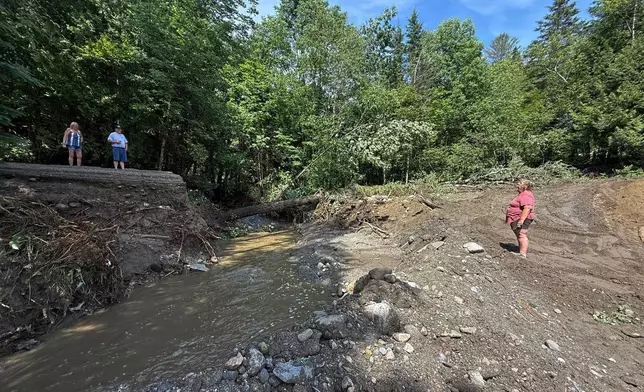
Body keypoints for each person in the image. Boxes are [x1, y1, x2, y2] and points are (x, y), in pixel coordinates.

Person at [505, 179, 536, 258]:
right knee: (519, 234)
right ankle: (520, 250)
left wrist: (521, 220)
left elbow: (527, 207)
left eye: (519, 184)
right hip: (517, 217)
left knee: (522, 234)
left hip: (523, 217)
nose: (517, 186)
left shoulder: (526, 194)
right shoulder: (523, 194)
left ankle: (522, 253)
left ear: (524, 186)